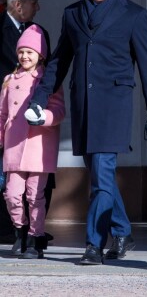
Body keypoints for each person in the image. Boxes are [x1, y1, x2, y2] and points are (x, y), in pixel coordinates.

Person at [25, 0, 147, 265]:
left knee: (101, 175)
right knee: (103, 177)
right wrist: (39, 100)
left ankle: (93, 244)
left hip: (114, 107)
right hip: (83, 108)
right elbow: (59, 62)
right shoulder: (72, 13)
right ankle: (123, 232)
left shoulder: (133, 14)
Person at [0, 24, 65, 259]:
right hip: (14, 146)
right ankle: (20, 230)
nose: (24, 56)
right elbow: (2, 115)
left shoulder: (47, 81)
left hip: (39, 147)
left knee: (35, 195)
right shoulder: (9, 80)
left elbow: (58, 111)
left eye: (30, 51)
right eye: (21, 51)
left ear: (41, 55)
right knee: (12, 194)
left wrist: (43, 117)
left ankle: (35, 237)